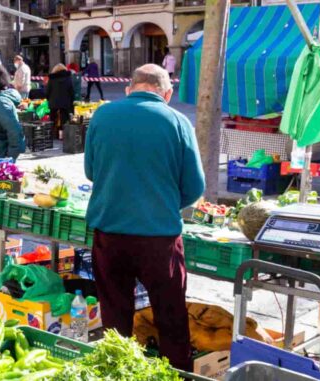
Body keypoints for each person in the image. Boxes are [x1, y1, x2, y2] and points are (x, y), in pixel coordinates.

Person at [84, 64, 205, 372]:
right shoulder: (177, 121)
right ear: (167, 93)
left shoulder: (102, 115)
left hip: (108, 232)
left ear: (129, 89)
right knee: (170, 314)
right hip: (159, 238)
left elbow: (90, 171)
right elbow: (194, 187)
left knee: (115, 315)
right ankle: (176, 374)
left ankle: (118, 373)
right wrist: (162, 203)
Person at [46, 64, 74, 136]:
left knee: (53, 119)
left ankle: (53, 134)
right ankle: (62, 135)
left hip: (53, 103)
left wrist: (48, 99)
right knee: (64, 119)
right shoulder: (68, 78)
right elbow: (71, 91)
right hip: (65, 103)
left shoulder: (52, 79)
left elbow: (47, 91)